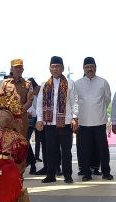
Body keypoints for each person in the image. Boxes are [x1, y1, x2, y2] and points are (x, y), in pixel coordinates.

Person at [36, 56, 78, 184]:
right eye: (53, 67)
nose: (55, 69)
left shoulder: (70, 83)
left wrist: (75, 117)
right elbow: (39, 103)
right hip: (49, 123)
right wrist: (39, 119)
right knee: (50, 151)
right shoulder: (45, 84)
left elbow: (75, 101)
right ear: (49, 68)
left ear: (62, 68)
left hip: (65, 123)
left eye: (57, 66)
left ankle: (67, 175)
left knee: (66, 151)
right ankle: (51, 175)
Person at [75, 57, 113, 181]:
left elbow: (107, 99)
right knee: (84, 150)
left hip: (99, 121)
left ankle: (106, 172)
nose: (89, 69)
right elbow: (75, 101)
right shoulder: (77, 83)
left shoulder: (103, 82)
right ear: (83, 69)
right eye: (87, 67)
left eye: (92, 66)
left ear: (95, 67)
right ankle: (86, 173)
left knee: (103, 149)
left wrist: (99, 110)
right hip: (83, 122)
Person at [0, 59, 35, 173]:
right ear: (11, 69)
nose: (18, 69)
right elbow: (0, 99)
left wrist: (20, 111)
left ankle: (20, 170)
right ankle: (8, 169)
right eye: (16, 67)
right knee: (7, 143)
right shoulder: (5, 83)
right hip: (7, 119)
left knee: (21, 143)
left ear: (23, 69)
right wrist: (8, 113)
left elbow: (30, 100)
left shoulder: (28, 84)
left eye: (20, 67)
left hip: (21, 119)